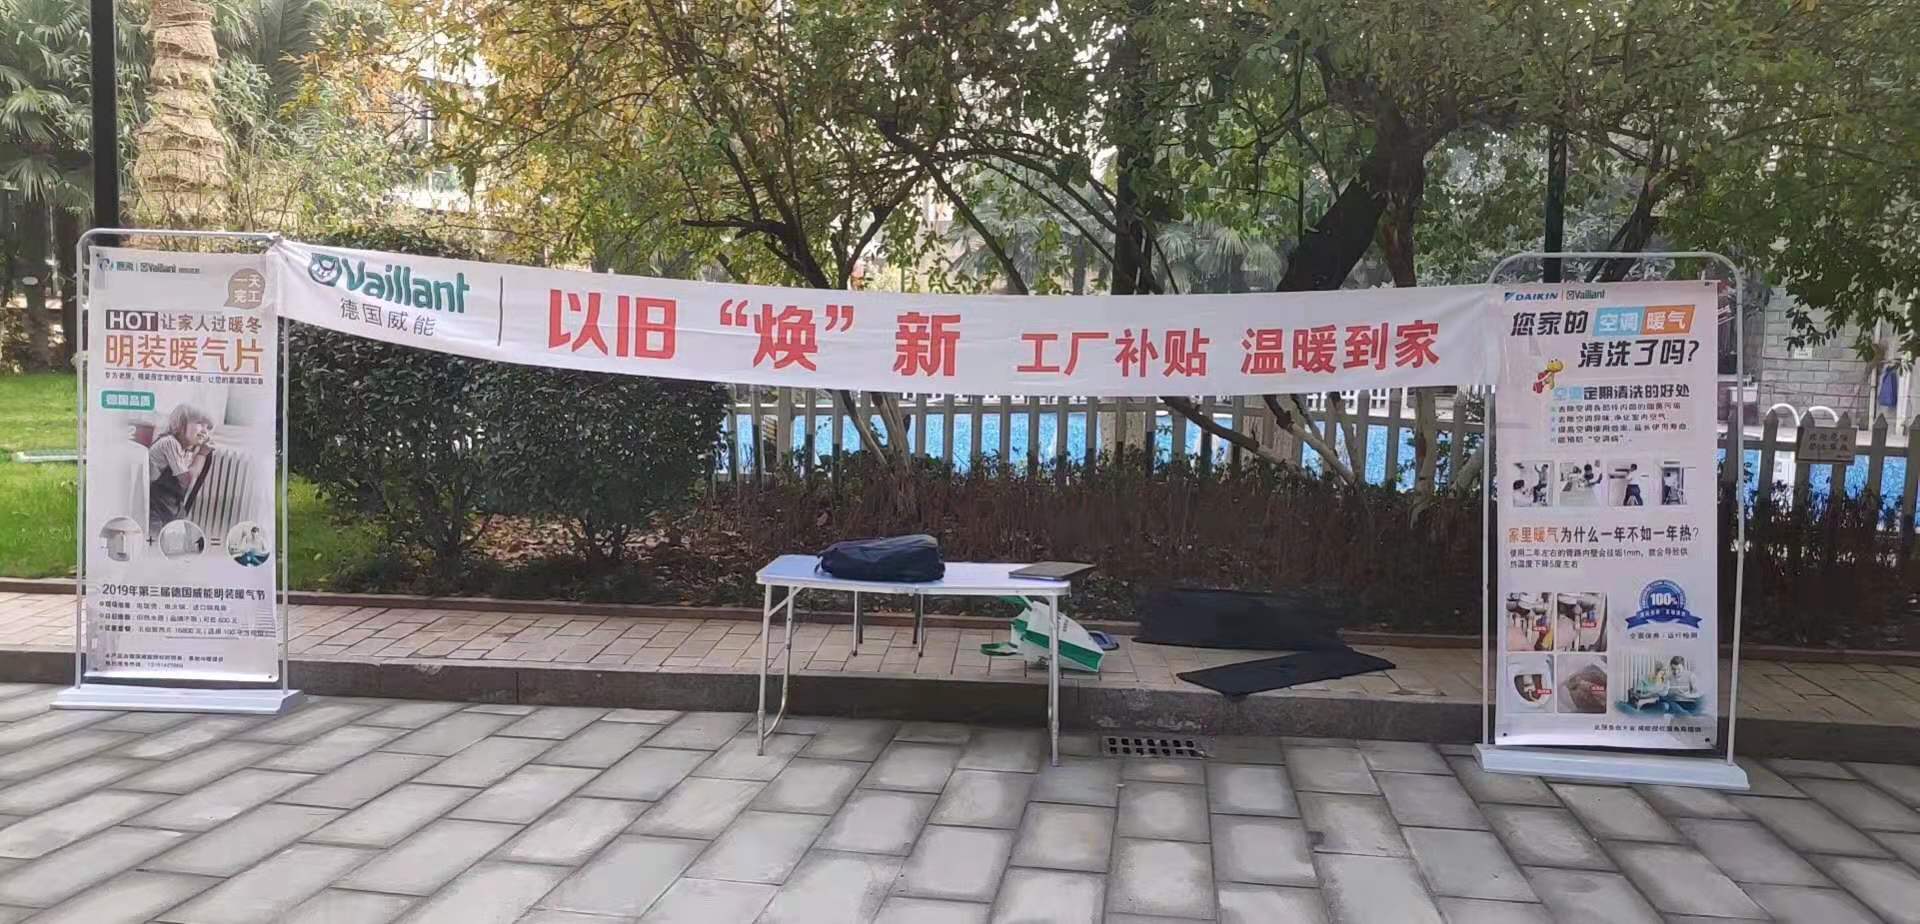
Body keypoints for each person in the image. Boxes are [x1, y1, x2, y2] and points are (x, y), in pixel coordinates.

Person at [148, 404, 214, 534]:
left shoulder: (186, 451)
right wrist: (201, 454)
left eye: (208, 427)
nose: (205, 431)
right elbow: (186, 481)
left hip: (169, 505)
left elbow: (189, 484)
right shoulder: (169, 443)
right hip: (154, 508)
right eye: (200, 423)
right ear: (181, 424)